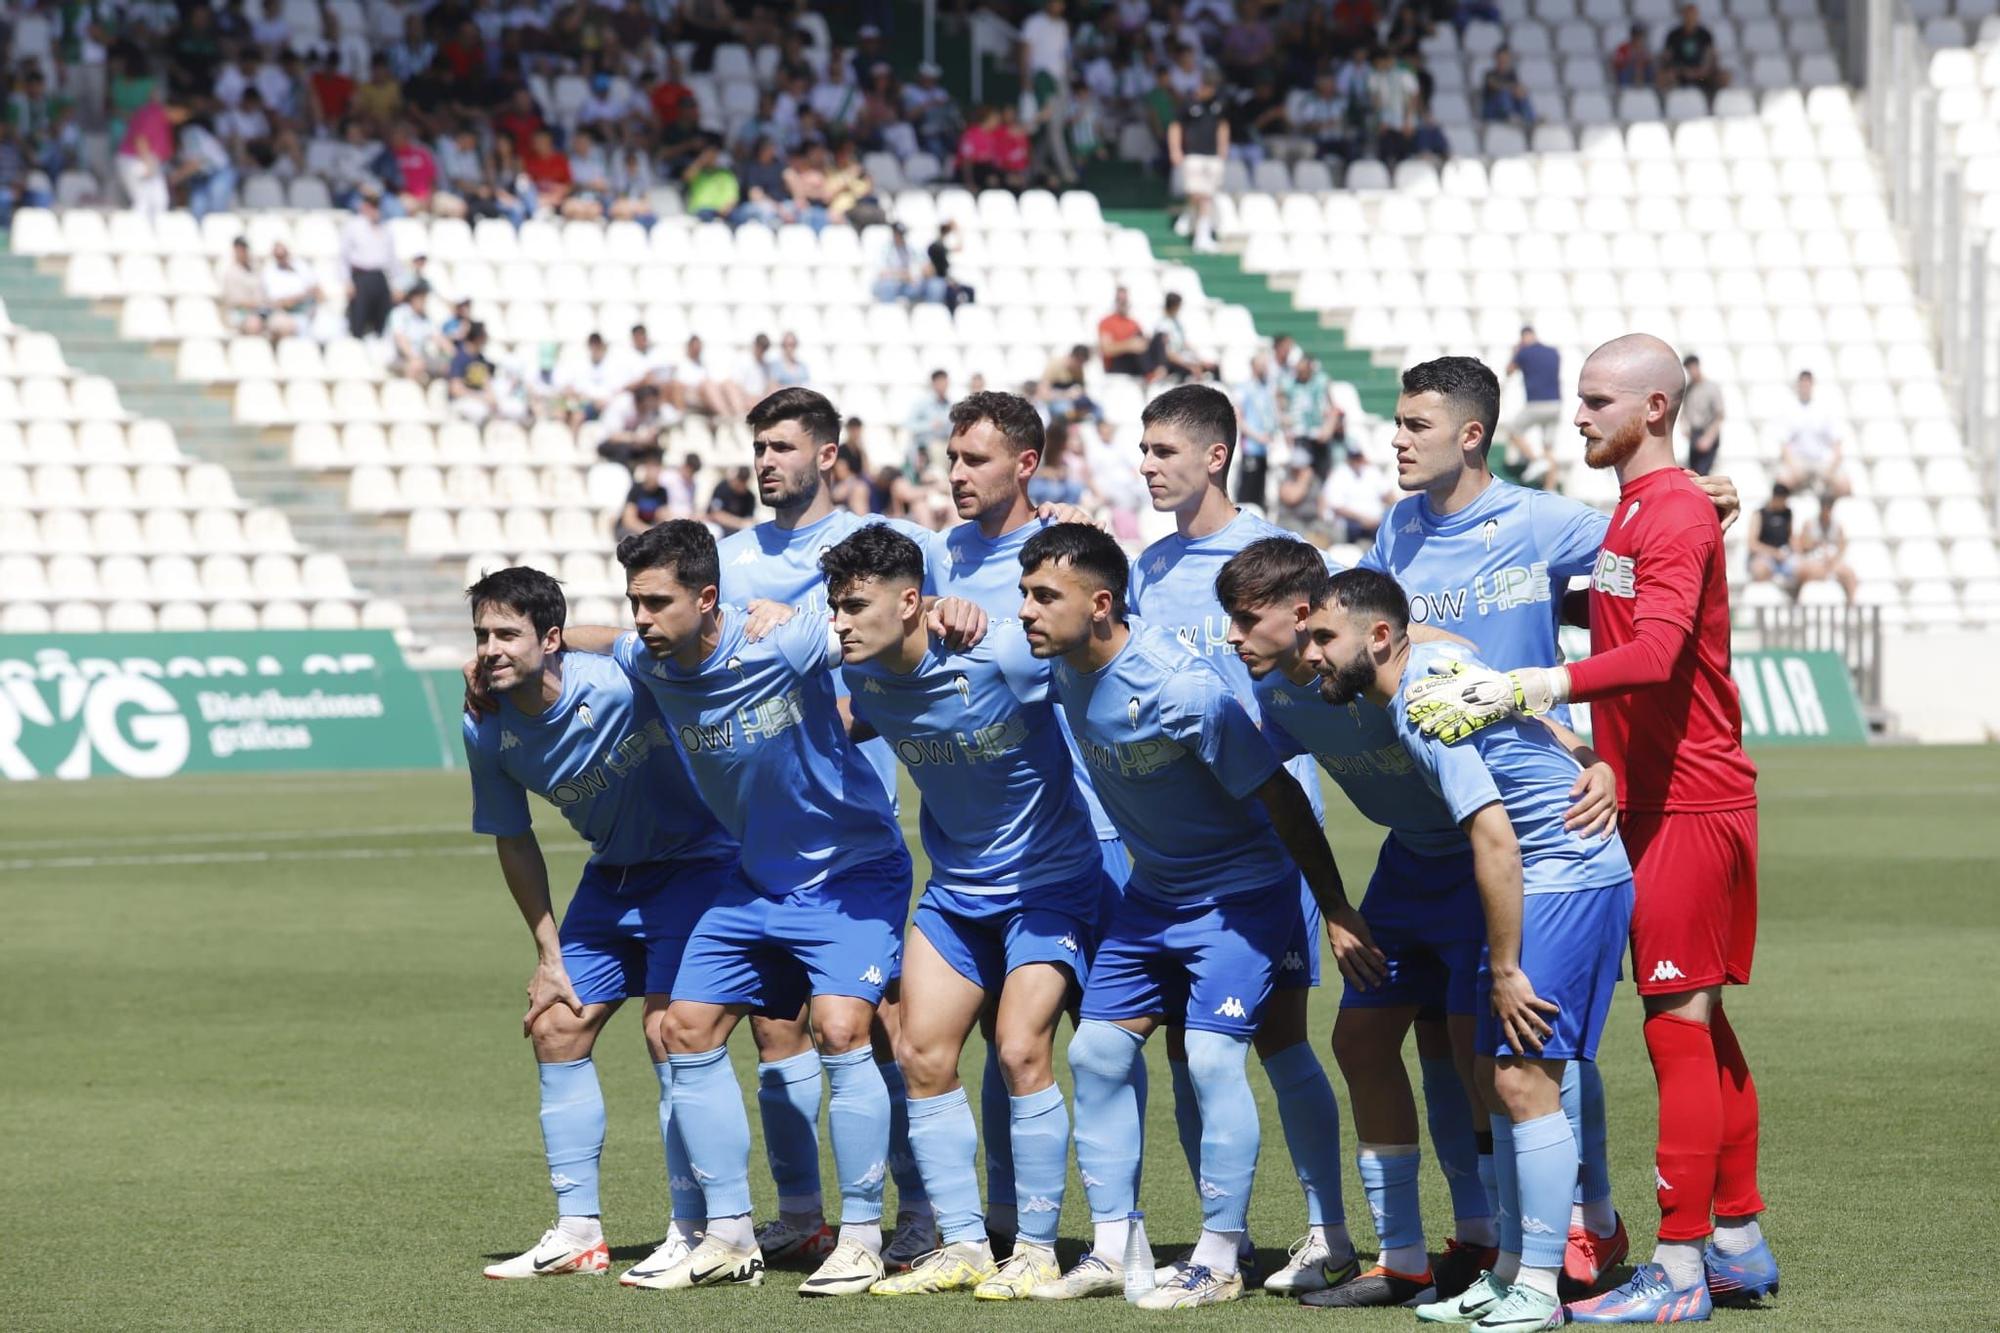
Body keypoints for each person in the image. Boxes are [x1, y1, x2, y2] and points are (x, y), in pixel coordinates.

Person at [1405, 334, 1777, 1324]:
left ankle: (1681, 1271)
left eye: (1596, 401)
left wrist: (1533, 683)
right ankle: (1735, 1235)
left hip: (1687, 799)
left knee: (1674, 1027)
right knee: (1698, 1018)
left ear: (1654, 408)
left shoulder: (1668, 512)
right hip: (1646, 790)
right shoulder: (1632, 515)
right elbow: (1605, 609)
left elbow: (1655, 652)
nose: (1573, 415)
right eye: (1576, 398)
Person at [1217, 541, 1620, 1308]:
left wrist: (1590, 757)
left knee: (1493, 1068)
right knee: (1360, 1039)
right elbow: (1284, 801)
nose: (1233, 637)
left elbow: (1510, 714)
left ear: (1305, 616)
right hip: (1411, 868)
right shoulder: (1283, 694)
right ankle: (1404, 1256)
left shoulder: (1423, 664)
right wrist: (1336, 906)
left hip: (1484, 869)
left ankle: (1525, 1247)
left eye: (1245, 618)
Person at [534, 521, 912, 1296]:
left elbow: (884, 625)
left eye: (656, 601)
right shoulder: (650, 653)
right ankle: (730, 1234)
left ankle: (866, 1235)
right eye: (634, 600)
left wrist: (940, 606)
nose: (641, 617)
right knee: (683, 1026)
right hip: (754, 879)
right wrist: (537, 642)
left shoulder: (786, 640)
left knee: (843, 1028)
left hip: (854, 869)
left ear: (708, 599)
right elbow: (606, 642)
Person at [1018, 522, 1378, 1308]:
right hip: (1154, 895)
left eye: (1044, 595)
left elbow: (1280, 793)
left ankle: (1222, 1256)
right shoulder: (1061, 664)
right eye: (1024, 594)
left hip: (1243, 893)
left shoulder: (1179, 688)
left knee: (1223, 1057)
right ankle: (1115, 1244)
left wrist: (1335, 904)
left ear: (1101, 604)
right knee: (1097, 1057)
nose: (1027, 610)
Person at [1108, 385, 1356, 1297]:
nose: (1148, 463)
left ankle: (1327, 1227)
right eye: (1143, 448)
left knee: (1281, 1041)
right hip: (1178, 857)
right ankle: (1228, 1236)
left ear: (1216, 455)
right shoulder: (1146, 567)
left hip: (1272, 844)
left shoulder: (1283, 558)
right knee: (1189, 1046)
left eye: (1164, 448)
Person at [818, 527, 1110, 1300]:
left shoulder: (1003, 653)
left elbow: (1097, 644)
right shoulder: (871, 677)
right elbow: (867, 714)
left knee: (1020, 1050)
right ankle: (966, 1243)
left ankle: (1041, 1250)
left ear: (910, 601)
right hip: (957, 892)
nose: (840, 622)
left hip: (1053, 885)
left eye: (855, 605)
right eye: (833, 607)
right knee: (919, 1051)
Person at [714, 388, 952, 1275]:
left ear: (827, 453)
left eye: (782, 445)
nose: (766, 460)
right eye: (758, 445)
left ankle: (918, 1207)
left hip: (851, 827)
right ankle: (802, 1214)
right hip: (755, 837)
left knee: (869, 1023)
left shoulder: (883, 546)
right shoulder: (729, 559)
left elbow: (931, 637)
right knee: (773, 1028)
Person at [461, 567, 741, 1288]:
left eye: (505, 634)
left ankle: (699, 1230)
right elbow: (513, 838)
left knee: (667, 1033)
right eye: (481, 635)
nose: (489, 649)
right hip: (613, 877)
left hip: (699, 864)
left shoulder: (619, 680)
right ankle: (579, 1231)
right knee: (555, 1023)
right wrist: (548, 956)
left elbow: (652, 637)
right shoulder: (486, 725)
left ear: (551, 639)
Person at [1170, 66, 1229, 253]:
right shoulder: (1188, 102)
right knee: (1198, 194)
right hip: (1193, 154)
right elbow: (1176, 126)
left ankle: (1198, 229)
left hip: (1212, 156)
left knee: (1206, 196)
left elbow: (1223, 125)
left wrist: (1222, 150)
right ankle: (1196, 227)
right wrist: (1175, 150)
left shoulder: (1218, 102)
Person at [1774, 370, 1850, 501]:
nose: (1805, 387)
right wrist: (1793, 468)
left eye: (1807, 383)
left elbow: (1837, 444)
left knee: (1845, 487)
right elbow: (1784, 446)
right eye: (1802, 383)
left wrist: (1830, 470)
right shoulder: (1789, 410)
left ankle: (1828, 515)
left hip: (1822, 462)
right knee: (1781, 484)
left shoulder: (1824, 409)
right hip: (1798, 462)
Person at [1504, 328, 1563, 488]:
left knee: (1512, 430)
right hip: (1556, 404)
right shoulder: (1552, 352)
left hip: (1536, 403)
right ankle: (1550, 489)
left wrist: (1515, 352)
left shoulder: (1524, 352)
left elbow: (1509, 371)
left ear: (1523, 337)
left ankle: (1535, 461)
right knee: (1549, 448)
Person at [340, 188, 394, 338]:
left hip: (380, 277)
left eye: (376, 205)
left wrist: (394, 283)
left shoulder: (385, 228)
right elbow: (343, 257)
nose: (373, 209)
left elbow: (391, 259)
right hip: (361, 277)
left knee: (382, 320)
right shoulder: (353, 226)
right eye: (370, 204)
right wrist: (347, 281)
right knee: (359, 318)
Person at [1320, 444, 1395, 544]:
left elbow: (1388, 494)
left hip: (1376, 521)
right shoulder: (1339, 473)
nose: (1356, 461)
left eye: (1358, 457)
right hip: (1351, 523)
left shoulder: (1371, 471)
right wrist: (1362, 519)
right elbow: (1337, 506)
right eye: (1353, 458)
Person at [1793, 493, 1858, 604]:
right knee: (1806, 571)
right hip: (1813, 560)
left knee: (1849, 574)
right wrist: (1815, 545)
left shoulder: (1837, 526)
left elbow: (1842, 547)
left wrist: (1833, 559)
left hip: (1832, 561)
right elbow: (1802, 545)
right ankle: (1798, 602)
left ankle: (1852, 604)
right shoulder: (1809, 524)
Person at [1659, 5, 1727, 96]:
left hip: (1701, 75)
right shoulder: (1673, 35)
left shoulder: (1705, 34)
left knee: (1724, 77)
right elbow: (1667, 58)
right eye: (1688, 15)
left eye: (1693, 15)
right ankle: (1667, 105)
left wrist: (1702, 71)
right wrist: (1681, 70)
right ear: (1683, 16)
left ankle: (1716, 104)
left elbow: (1711, 56)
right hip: (1680, 74)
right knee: (1663, 77)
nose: (1690, 18)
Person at [1745, 485, 1797, 592]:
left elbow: (1791, 538)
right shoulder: (1759, 514)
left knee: (1807, 569)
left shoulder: (1788, 513)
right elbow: (1752, 544)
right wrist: (1774, 553)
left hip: (1785, 556)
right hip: (1764, 556)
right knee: (1760, 570)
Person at [1097, 286, 1157, 378]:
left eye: (1125, 300)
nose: (1123, 303)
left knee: (1159, 337)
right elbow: (1107, 350)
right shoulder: (1106, 322)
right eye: (1119, 300)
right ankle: (1150, 374)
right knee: (1138, 341)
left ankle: (1158, 371)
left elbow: (1141, 344)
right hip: (1116, 363)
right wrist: (1129, 345)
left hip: (1134, 362)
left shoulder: (1134, 323)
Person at [1680, 354, 1724, 476]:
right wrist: (1683, 426)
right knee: (1693, 474)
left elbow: (1719, 415)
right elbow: (1684, 410)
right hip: (1694, 434)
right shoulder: (1689, 388)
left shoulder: (1711, 388)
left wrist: (1708, 438)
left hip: (1708, 433)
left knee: (1704, 474)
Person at [618, 451, 673, 540]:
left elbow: (664, 516)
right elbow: (629, 520)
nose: (654, 472)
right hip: (633, 530)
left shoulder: (662, 492)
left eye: (657, 468)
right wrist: (648, 530)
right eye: (652, 468)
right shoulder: (636, 489)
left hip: (649, 530)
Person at [220, 237, 268, 336]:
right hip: (239, 313)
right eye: (240, 249)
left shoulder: (255, 270)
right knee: (254, 324)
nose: (243, 252)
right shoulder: (230, 273)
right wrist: (256, 304)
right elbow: (234, 301)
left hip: (260, 312)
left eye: (244, 249)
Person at [1479, 49, 1535, 128]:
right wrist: (1511, 88)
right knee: (1504, 93)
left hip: (1509, 105)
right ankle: (1509, 115)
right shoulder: (1489, 74)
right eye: (1501, 58)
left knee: (1522, 96)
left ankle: (1531, 118)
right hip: (1492, 110)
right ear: (1496, 58)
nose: (1503, 60)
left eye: (1505, 58)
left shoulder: (1512, 74)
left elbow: (1517, 88)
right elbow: (1495, 85)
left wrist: (1519, 91)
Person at [707, 466, 758, 533]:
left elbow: (749, 520)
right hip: (718, 525)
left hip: (737, 529)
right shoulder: (722, 488)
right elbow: (715, 514)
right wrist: (738, 522)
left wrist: (739, 523)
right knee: (714, 531)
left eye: (744, 481)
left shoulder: (750, 496)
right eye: (740, 479)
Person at [1612, 23, 1658, 89]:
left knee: (1650, 70)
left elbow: (1649, 61)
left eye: (1639, 35)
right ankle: (1627, 89)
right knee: (1628, 71)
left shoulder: (1645, 48)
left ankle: (1649, 89)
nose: (1638, 38)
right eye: (1636, 35)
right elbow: (1618, 64)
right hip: (1628, 73)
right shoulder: (1623, 48)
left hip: (1643, 73)